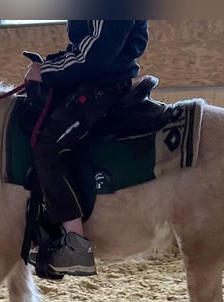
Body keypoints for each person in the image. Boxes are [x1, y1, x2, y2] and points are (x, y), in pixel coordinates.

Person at [24, 20, 149, 276]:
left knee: (47, 148)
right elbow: (85, 46)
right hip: (98, 79)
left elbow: (96, 55)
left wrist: (46, 70)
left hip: (103, 85)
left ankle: (76, 245)